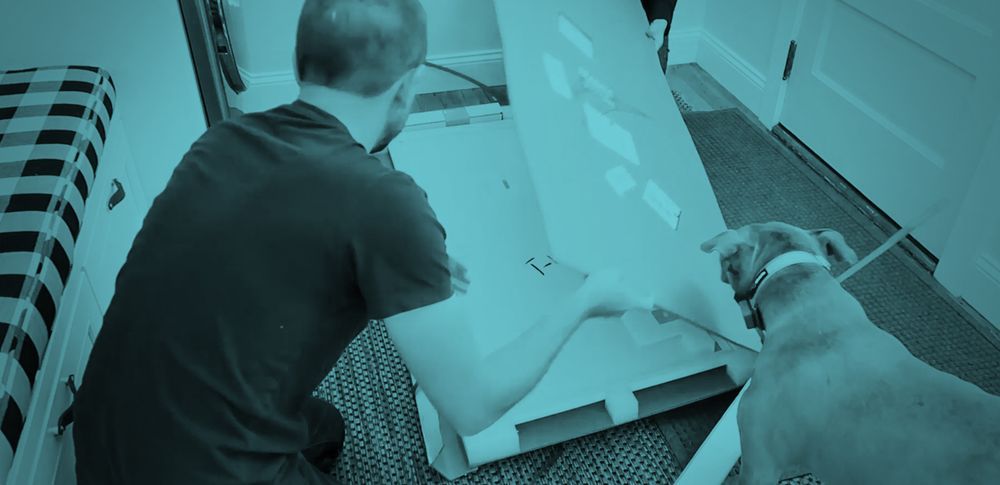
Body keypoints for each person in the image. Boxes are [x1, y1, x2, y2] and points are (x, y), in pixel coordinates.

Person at [72, 0, 655, 483]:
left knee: (325, 429)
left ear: (300, 63)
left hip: (100, 442)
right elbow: (473, 407)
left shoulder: (221, 140)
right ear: (406, 86)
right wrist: (584, 301)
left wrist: (392, 264)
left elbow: (269, 244)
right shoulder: (385, 201)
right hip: (198, 469)